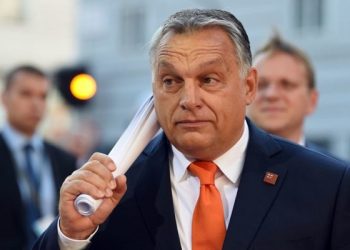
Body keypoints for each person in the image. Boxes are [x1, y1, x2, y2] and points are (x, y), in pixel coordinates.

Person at [34, 9, 350, 250]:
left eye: (208, 80)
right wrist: (71, 235)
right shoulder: (110, 191)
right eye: (171, 82)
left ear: (249, 86)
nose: (189, 100)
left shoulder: (327, 185)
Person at [0, 65, 77, 250]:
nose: (36, 104)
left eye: (43, 96)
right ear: (4, 98)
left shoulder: (64, 159)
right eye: (26, 94)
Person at [246, 34, 321, 149]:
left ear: (312, 101)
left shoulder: (335, 167)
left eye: (287, 85)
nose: (271, 94)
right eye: (261, 85)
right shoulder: (216, 165)